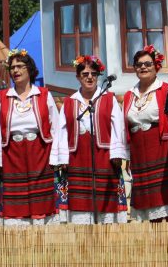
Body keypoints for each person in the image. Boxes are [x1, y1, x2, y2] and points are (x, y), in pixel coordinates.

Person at [124, 45, 168, 222]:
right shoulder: (129, 95)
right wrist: (127, 156)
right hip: (140, 152)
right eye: (139, 64)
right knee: (150, 200)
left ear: (156, 67)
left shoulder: (166, 90)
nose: (143, 67)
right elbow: (124, 127)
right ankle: (156, 241)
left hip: (162, 147)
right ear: (134, 69)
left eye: (147, 64)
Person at [0, 49, 60, 226]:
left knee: (41, 202)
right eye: (12, 67)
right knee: (16, 205)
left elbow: (57, 127)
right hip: (12, 155)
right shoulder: (3, 97)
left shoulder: (43, 94)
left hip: (40, 154)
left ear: (30, 69)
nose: (16, 71)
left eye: (20, 66)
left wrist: (56, 157)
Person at [55, 55, 128, 224]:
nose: (90, 77)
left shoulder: (109, 99)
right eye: (85, 74)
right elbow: (62, 131)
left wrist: (117, 154)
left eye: (94, 74)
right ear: (78, 77)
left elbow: (119, 127)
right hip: (77, 158)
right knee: (79, 206)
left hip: (104, 158)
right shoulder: (69, 102)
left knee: (105, 205)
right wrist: (63, 157)